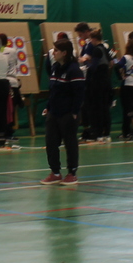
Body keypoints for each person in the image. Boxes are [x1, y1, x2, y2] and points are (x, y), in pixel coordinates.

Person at [42, 38, 84, 184]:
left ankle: (72, 173)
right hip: (54, 112)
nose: (53, 53)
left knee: (70, 143)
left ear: (64, 53)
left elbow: (79, 93)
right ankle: (55, 172)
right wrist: (48, 107)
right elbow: (53, 91)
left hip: (68, 114)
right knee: (51, 143)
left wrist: (74, 112)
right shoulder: (55, 68)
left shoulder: (74, 70)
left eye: (56, 50)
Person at [80, 27, 113, 143]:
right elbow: (111, 63)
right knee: (105, 108)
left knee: (97, 108)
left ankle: (98, 133)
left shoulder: (96, 50)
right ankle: (106, 133)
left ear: (94, 39)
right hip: (106, 81)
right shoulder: (105, 48)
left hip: (97, 83)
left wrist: (84, 61)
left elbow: (93, 67)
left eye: (91, 39)